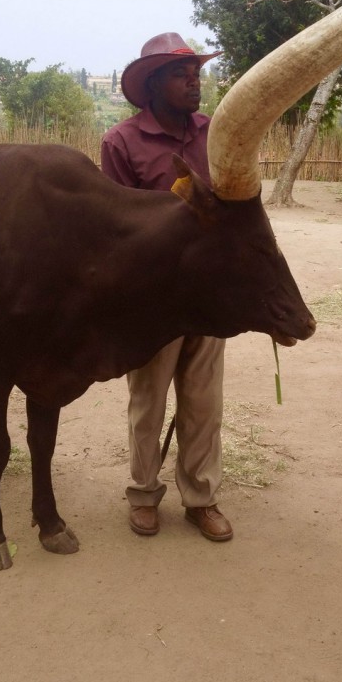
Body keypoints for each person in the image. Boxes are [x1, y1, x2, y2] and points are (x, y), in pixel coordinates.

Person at [101, 32, 233, 542]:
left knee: (204, 401)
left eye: (196, 73)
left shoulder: (216, 132)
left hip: (210, 297)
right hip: (151, 299)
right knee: (148, 400)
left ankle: (201, 498)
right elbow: (113, 227)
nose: (193, 81)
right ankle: (142, 494)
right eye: (181, 74)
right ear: (153, 85)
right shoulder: (122, 142)